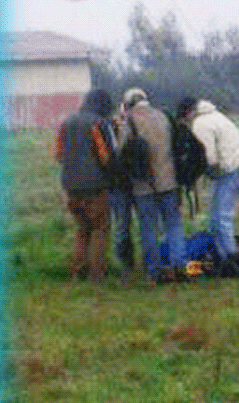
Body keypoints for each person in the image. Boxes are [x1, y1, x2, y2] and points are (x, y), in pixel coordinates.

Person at [176, 97, 239, 266]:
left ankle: (232, 259)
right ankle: (222, 256)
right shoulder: (215, 115)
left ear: (188, 114)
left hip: (231, 171)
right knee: (217, 217)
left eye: (184, 120)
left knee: (221, 217)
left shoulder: (201, 124)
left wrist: (195, 174)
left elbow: (209, 157)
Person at [123, 88, 185, 284]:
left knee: (148, 228)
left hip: (143, 186)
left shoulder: (129, 121)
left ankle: (154, 272)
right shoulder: (164, 115)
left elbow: (121, 151)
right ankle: (179, 269)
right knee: (174, 225)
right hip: (169, 181)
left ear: (129, 103)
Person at [53, 89, 114, 283]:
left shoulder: (66, 122)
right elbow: (107, 157)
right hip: (95, 187)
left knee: (81, 229)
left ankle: (78, 273)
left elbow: (58, 155)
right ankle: (97, 275)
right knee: (100, 228)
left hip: (71, 187)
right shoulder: (99, 123)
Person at [101, 101, 135, 282]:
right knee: (122, 225)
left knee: (123, 224)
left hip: (125, 183)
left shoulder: (117, 125)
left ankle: (127, 264)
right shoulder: (111, 126)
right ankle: (125, 263)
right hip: (121, 183)